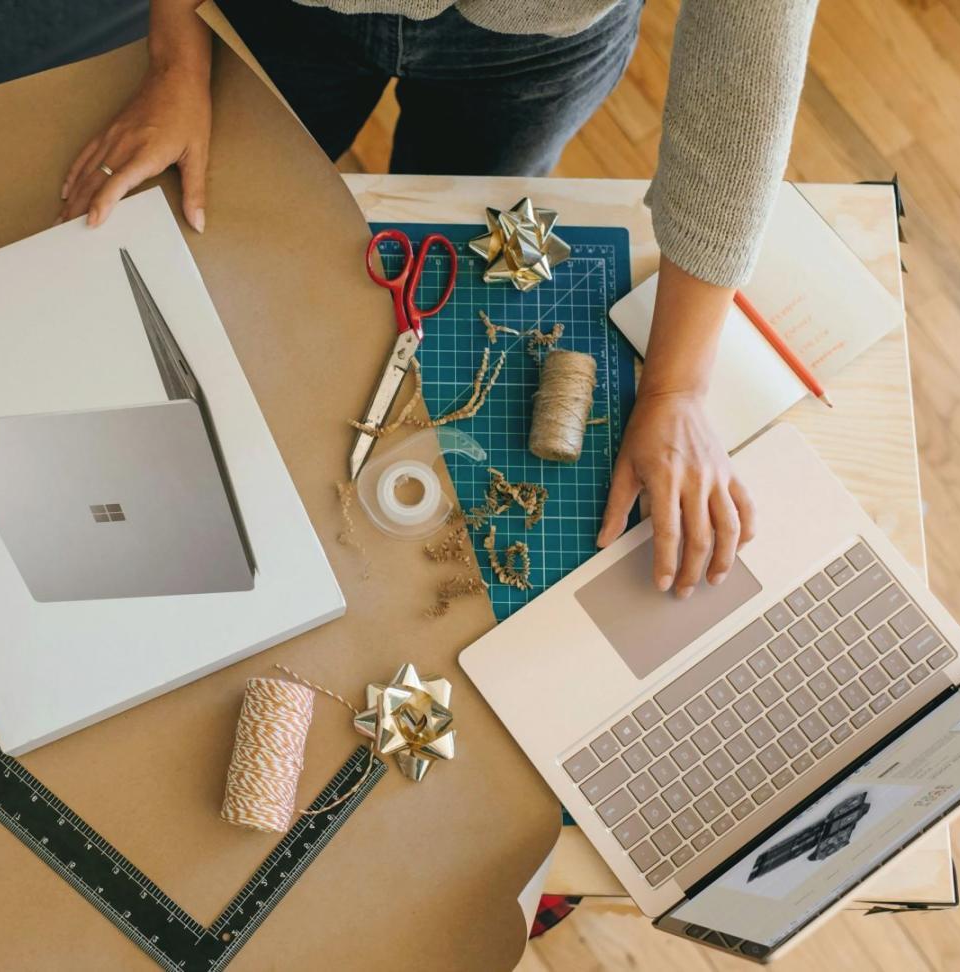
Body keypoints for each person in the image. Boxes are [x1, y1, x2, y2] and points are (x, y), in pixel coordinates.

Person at [60, 0, 827, 598]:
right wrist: (174, 62)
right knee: (235, 208)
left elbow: (751, 44)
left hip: (539, 45)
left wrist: (679, 386)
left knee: (464, 207)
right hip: (286, 16)